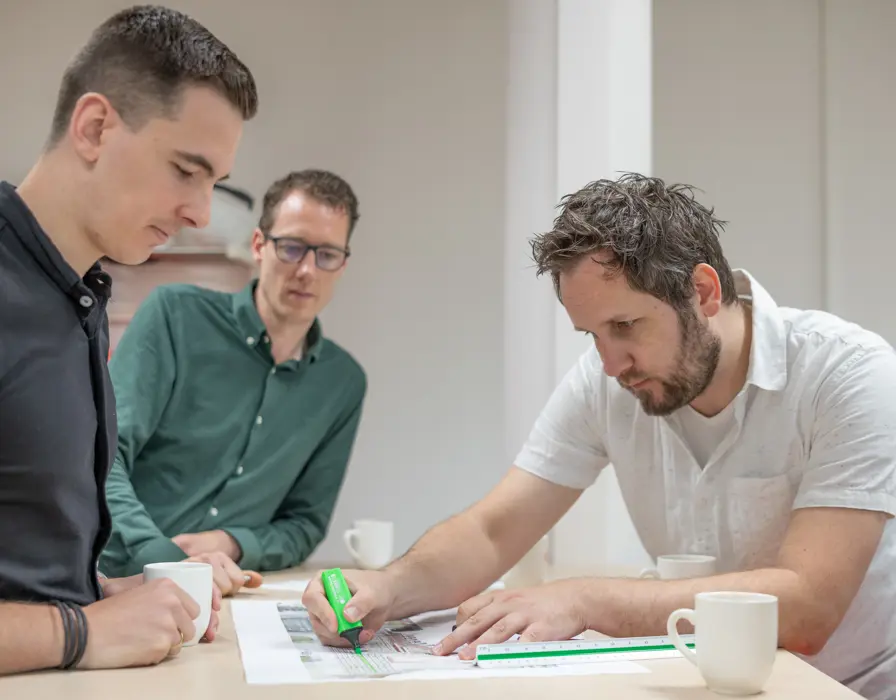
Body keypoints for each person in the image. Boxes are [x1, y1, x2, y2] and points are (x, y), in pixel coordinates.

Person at [302, 173, 896, 700]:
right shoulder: (608, 379)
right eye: (591, 335)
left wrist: (583, 600)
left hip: (846, 686)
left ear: (705, 292)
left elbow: (809, 605)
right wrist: (387, 587)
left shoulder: (849, 374)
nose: (611, 365)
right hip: (702, 683)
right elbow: (494, 528)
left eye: (625, 325)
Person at [0, 5, 258, 673]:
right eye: (185, 169)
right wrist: (79, 633)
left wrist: (104, 596)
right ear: (94, 127)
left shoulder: (76, 295)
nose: (200, 211)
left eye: (214, 183)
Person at [99, 169, 366, 581]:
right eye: (292, 248)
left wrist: (232, 543)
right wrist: (164, 559)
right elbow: (102, 454)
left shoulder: (343, 383)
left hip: (230, 592)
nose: (307, 271)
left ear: (343, 265)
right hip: (114, 579)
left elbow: (305, 524)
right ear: (259, 245)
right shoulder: (175, 316)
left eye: (327, 255)